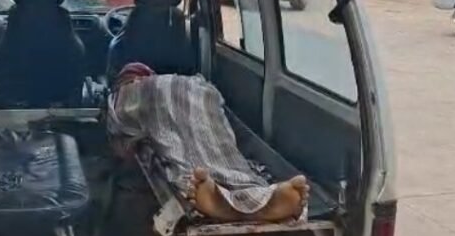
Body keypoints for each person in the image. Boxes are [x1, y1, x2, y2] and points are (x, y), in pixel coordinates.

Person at [107, 63, 309, 223]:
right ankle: (257, 193)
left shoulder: (125, 93)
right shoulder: (192, 83)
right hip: (199, 93)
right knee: (219, 144)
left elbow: (120, 139)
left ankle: (216, 196)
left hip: (155, 97)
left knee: (181, 150)